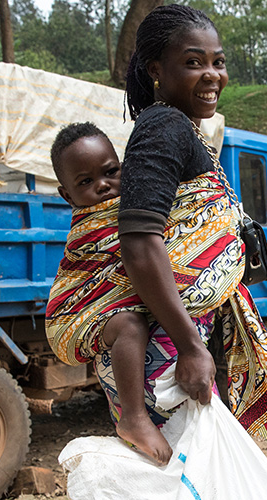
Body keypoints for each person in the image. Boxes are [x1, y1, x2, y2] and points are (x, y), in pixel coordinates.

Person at [45, 3, 267, 467]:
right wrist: (190, 346)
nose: (211, 74)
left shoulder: (182, 130)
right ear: (156, 70)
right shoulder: (164, 127)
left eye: (217, 61)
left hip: (177, 333)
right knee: (179, 475)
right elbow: (140, 243)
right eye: (193, 61)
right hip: (167, 343)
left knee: (192, 474)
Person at [49, 122, 175, 463]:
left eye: (110, 172)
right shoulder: (91, 226)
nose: (103, 186)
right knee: (131, 325)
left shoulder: (137, 206)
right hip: (75, 318)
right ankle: (133, 418)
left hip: (121, 339)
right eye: (86, 182)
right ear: (67, 196)